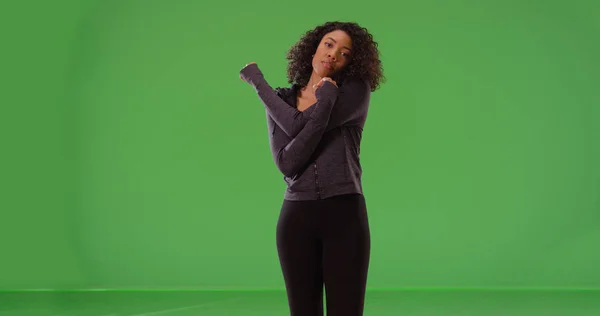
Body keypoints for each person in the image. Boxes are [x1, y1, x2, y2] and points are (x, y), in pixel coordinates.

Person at [240, 21, 385, 316]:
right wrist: (270, 93)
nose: (333, 55)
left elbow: (296, 125)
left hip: (344, 215)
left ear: (350, 63)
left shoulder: (354, 93)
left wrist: (258, 83)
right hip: (296, 220)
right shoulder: (283, 100)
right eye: (329, 44)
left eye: (344, 53)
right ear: (314, 47)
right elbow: (287, 162)